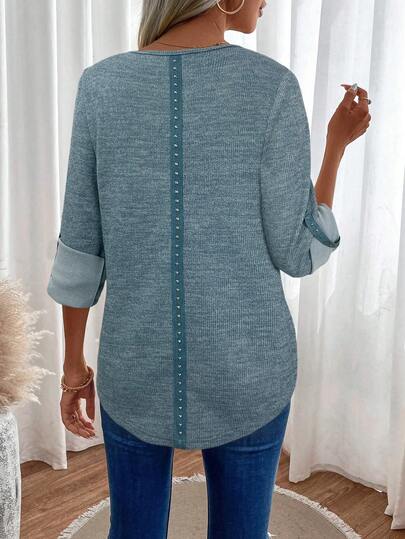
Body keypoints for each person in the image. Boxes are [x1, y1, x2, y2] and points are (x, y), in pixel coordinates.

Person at [47, 1, 371, 537]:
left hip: (135, 367)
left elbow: (81, 246)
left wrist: (74, 367)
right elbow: (298, 251)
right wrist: (335, 146)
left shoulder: (100, 87)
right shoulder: (272, 87)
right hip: (250, 371)